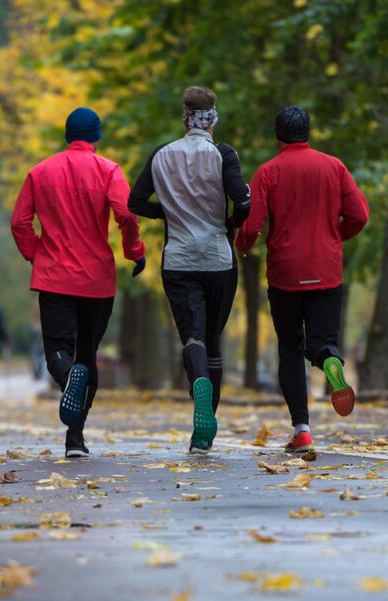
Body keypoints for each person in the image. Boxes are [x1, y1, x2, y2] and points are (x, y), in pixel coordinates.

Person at [11, 106, 146, 459]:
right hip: (96, 281)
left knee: (58, 349)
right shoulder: (108, 170)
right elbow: (127, 213)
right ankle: (76, 438)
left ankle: (68, 377)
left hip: (54, 277)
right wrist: (134, 250)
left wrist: (36, 255)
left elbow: (19, 223)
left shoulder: (40, 173)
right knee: (87, 355)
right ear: (97, 137)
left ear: (68, 136)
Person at [236, 106, 369, 459]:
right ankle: (329, 358)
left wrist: (244, 247)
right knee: (322, 341)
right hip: (327, 270)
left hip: (285, 275)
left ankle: (302, 430)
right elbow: (359, 215)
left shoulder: (267, 172)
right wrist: (335, 237)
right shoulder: (334, 166)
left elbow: (251, 225)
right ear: (308, 132)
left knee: (291, 350)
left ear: (278, 136)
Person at [129, 85, 250, 454]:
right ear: (212, 119)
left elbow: (135, 201)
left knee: (192, 337)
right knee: (213, 340)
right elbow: (243, 201)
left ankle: (197, 386)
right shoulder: (223, 154)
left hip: (178, 259)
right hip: (217, 258)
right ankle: (205, 433)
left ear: (185, 117)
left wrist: (166, 211)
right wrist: (232, 222)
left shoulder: (161, 155)